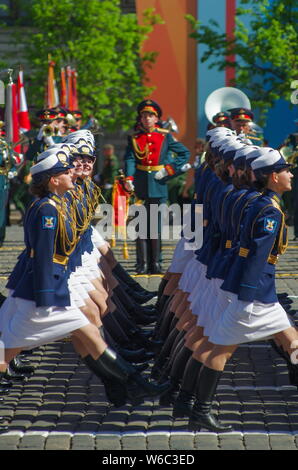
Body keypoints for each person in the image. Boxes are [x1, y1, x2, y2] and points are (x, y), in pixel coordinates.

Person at [0, 147, 169, 408]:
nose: (72, 172)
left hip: (46, 289)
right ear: (53, 180)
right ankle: (133, 384)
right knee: (8, 350)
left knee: (85, 332)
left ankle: (128, 385)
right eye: (65, 171)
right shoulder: (47, 210)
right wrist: (48, 297)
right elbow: (44, 257)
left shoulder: (54, 204)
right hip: (41, 296)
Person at [123, 99, 190, 274]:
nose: (147, 119)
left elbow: (184, 153)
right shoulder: (134, 137)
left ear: (156, 118)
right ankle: (142, 263)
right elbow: (130, 158)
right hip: (140, 184)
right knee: (140, 225)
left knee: (155, 225)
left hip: (158, 184)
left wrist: (168, 170)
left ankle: (156, 263)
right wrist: (129, 177)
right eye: (144, 115)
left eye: (150, 115)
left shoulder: (165, 135)